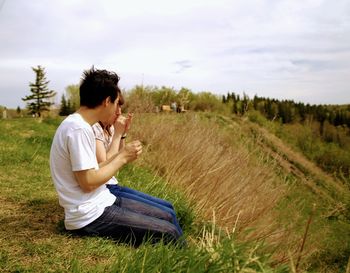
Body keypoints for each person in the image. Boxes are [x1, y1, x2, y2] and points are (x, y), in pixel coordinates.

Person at [50, 67, 182, 246]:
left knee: (167, 214)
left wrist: (122, 152)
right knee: (170, 232)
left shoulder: (79, 125)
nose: (116, 110)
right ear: (106, 101)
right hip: (89, 216)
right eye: (116, 103)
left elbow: (96, 168)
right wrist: (123, 157)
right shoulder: (78, 129)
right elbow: (88, 182)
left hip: (101, 199)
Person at [91, 97, 183, 236]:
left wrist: (123, 133)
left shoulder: (109, 128)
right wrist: (117, 134)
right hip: (107, 188)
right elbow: (105, 163)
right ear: (106, 105)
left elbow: (119, 156)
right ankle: (178, 244)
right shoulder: (95, 129)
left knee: (169, 208)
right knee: (167, 217)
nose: (119, 112)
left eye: (121, 107)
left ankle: (181, 242)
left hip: (112, 184)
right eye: (116, 106)